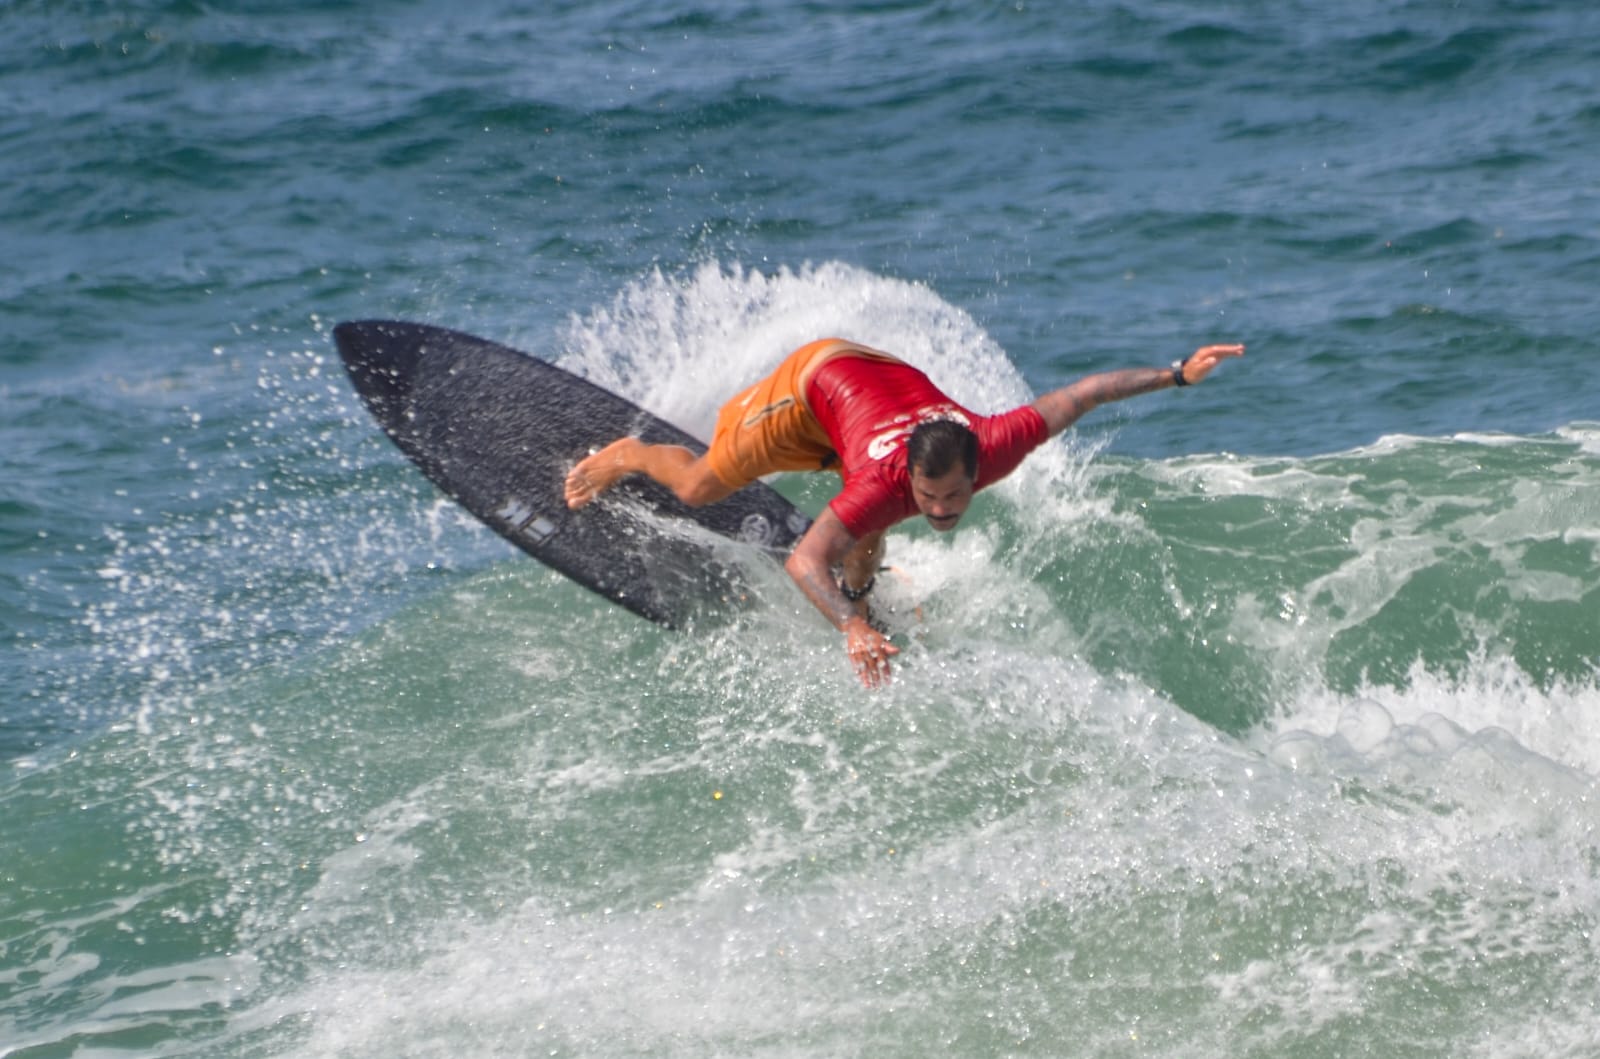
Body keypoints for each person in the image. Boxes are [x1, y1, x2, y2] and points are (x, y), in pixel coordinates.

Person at [565, 337, 1244, 687]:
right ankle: (632, 453)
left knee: (870, 535)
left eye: (954, 496)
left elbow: (1087, 392)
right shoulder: (886, 486)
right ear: (910, 479)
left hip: (873, 382)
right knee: (700, 486)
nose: (944, 510)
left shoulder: (997, 442)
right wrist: (850, 627)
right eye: (929, 498)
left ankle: (866, 592)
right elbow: (806, 557)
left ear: (976, 468)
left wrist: (1177, 372)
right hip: (814, 383)